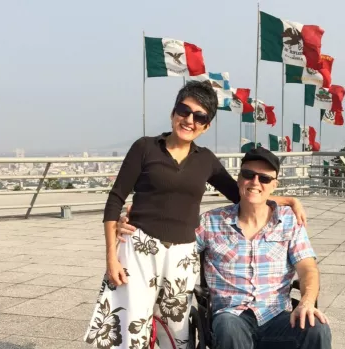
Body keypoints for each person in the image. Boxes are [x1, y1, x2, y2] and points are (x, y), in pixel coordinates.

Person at [84, 80, 307, 349]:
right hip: (139, 247)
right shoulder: (145, 148)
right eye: (184, 111)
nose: (190, 120)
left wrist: (288, 200)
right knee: (129, 327)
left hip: (182, 254)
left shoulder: (206, 160)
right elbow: (115, 199)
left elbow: (243, 192)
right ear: (173, 112)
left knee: (177, 332)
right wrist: (111, 256)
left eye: (200, 117)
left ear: (207, 125)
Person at [118, 147, 331, 349]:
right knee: (229, 328)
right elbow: (172, 240)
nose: (255, 181)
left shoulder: (288, 221)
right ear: (239, 178)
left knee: (317, 328)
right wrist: (136, 224)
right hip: (231, 316)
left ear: (274, 185)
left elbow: (307, 268)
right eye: (249, 174)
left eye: (264, 178)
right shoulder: (211, 222)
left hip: (277, 316)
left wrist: (307, 301)